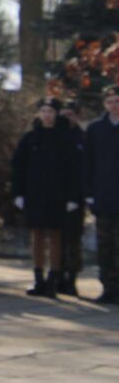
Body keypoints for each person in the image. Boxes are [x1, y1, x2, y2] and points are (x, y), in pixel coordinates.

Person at [12, 98, 82, 298]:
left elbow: (73, 170)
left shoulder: (65, 138)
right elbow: (19, 167)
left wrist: (72, 197)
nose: (47, 114)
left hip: (58, 195)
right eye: (43, 110)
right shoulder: (31, 137)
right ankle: (38, 277)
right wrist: (18, 193)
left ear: (57, 113)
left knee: (55, 236)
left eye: (50, 111)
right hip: (35, 194)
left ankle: (53, 278)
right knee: (37, 236)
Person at [83, 85, 119, 304]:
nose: (115, 105)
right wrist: (88, 192)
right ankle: (108, 287)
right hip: (103, 195)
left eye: (118, 101)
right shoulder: (96, 129)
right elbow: (87, 163)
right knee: (105, 246)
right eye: (111, 101)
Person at [58, 99, 86, 296]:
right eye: (64, 115)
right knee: (56, 239)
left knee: (73, 240)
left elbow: (85, 169)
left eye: (71, 114)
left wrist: (79, 196)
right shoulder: (54, 136)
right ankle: (57, 277)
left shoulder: (84, 137)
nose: (68, 118)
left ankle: (72, 278)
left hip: (76, 196)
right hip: (55, 195)